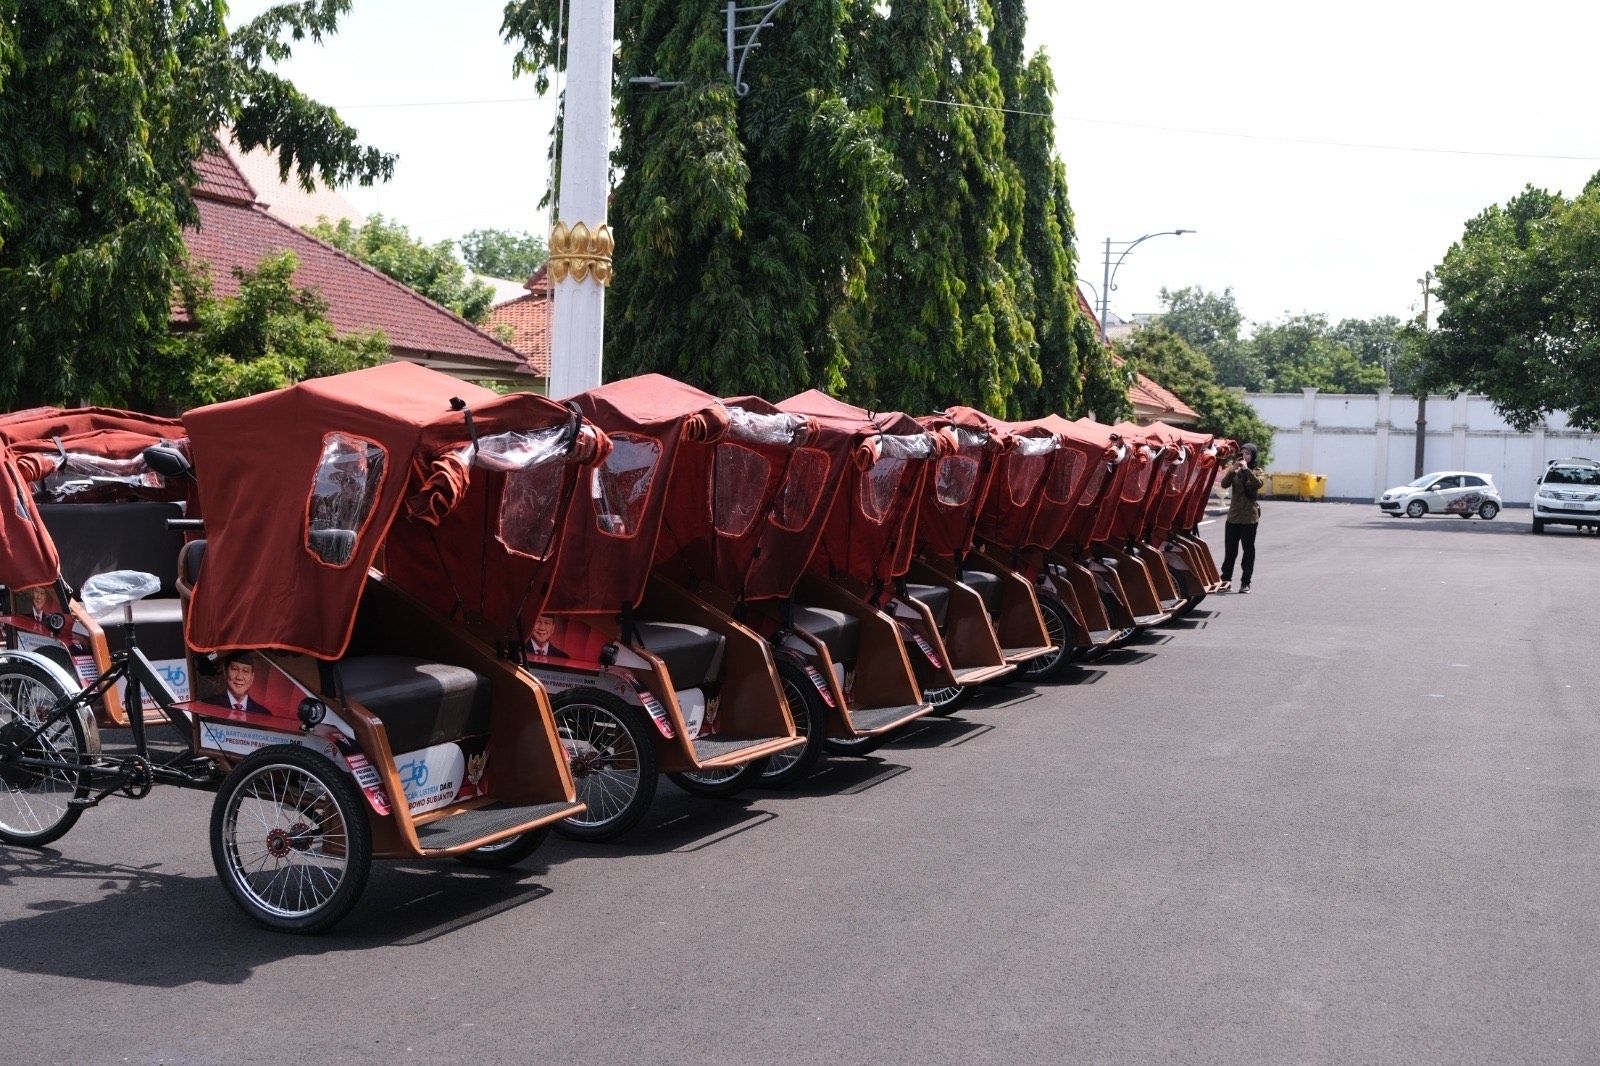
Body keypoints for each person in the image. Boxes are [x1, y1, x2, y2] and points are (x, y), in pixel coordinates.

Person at [1219, 443, 1264, 594]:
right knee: (1230, 551)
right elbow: (1224, 484)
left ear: (1253, 456)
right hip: (1233, 517)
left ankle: (1246, 582)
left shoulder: (1257, 471)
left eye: (1248, 454)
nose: (1244, 456)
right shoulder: (1235, 469)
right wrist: (1234, 468)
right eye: (1242, 453)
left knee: (1248, 551)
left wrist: (1246, 470)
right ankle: (1226, 580)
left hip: (1249, 519)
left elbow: (1257, 484)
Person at [203, 652, 271, 714]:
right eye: (235, 669)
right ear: (225, 673)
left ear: (252, 678)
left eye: (245, 671)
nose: (239, 677)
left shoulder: (263, 714)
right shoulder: (208, 706)